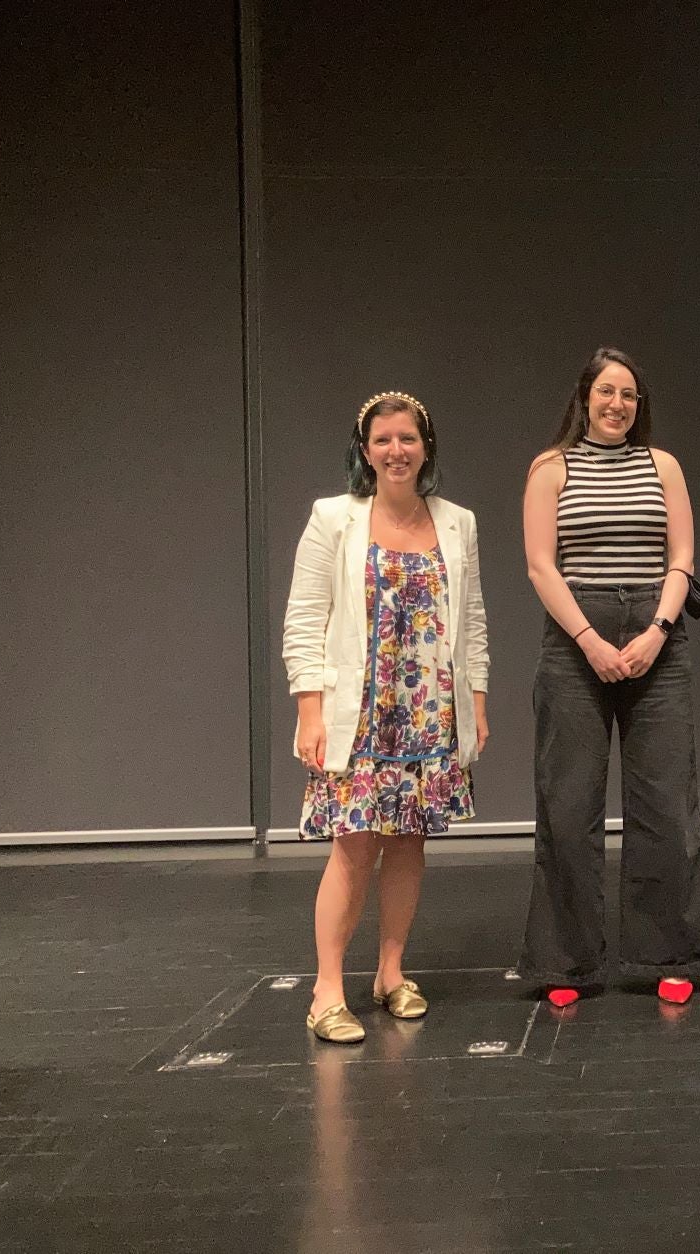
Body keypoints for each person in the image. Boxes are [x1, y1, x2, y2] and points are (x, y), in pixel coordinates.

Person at [517, 348, 700, 1006]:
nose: (618, 405)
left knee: (666, 804)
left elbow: (683, 555)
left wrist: (658, 631)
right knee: (569, 805)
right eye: (607, 392)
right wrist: (591, 641)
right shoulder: (551, 468)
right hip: (576, 638)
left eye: (629, 395)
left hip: (656, 637)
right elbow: (541, 567)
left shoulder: (663, 466)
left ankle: (671, 951)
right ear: (584, 398)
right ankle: (567, 963)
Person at [283, 391, 491, 1043]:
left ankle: (391, 972)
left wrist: (476, 704)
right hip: (360, 714)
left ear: (426, 446)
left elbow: (473, 622)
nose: (395, 451)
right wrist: (308, 710)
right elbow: (304, 618)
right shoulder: (333, 519)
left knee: (408, 845)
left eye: (407, 438)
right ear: (364, 449)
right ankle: (325, 991)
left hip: (428, 715)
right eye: (383, 440)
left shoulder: (457, 523)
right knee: (352, 849)